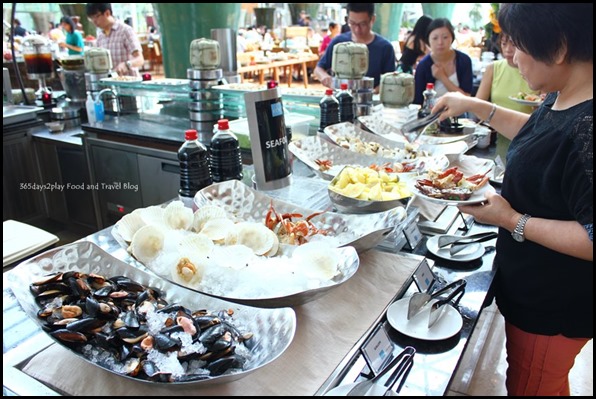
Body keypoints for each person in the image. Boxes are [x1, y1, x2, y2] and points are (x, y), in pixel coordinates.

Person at [434, 4, 592, 396]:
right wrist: (474, 105)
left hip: (554, 306)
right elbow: (540, 136)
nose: (513, 56)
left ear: (558, 48)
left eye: (519, 45)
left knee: (532, 384)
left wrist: (512, 220)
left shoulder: (589, 128)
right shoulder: (565, 96)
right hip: (535, 290)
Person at [475, 33, 539, 163]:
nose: (508, 49)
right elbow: (477, 106)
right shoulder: (493, 68)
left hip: (529, 143)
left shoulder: (537, 71)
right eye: (504, 44)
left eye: (514, 45)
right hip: (501, 143)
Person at [314, 3, 396, 93]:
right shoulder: (339, 43)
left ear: (372, 19)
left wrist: (374, 91)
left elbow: (389, 80)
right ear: (347, 19)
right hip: (341, 98)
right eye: (352, 23)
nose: (357, 29)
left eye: (362, 24)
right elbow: (319, 69)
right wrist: (326, 78)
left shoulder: (384, 47)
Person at [413, 18, 473, 105]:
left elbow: (467, 98)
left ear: (452, 38)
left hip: (459, 112)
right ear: (428, 40)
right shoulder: (423, 66)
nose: (440, 42)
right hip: (431, 114)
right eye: (435, 38)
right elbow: (418, 101)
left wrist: (442, 77)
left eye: (445, 37)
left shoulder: (463, 61)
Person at [85, 3, 144, 77]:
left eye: (96, 17)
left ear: (107, 13)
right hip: (110, 83)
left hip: (128, 83)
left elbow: (140, 59)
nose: (94, 21)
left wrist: (127, 65)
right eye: (91, 18)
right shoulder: (100, 36)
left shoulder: (125, 31)